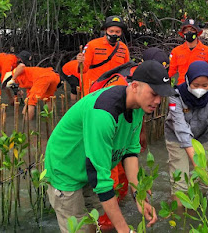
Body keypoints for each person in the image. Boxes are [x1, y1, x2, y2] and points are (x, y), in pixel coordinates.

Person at [45, 61, 175, 233]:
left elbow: (130, 151)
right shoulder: (104, 113)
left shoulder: (137, 107)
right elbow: (99, 177)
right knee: (79, 229)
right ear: (135, 86)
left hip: (87, 167)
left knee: (94, 223)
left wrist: (138, 194)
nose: (158, 101)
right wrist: (124, 230)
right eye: (154, 94)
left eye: (161, 96)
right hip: (66, 169)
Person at [89, 47, 169, 230]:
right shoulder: (119, 86)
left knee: (125, 180)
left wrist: (137, 194)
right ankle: (106, 222)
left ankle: (120, 204)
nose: (158, 100)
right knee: (111, 179)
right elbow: (107, 122)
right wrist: (122, 227)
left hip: (121, 138)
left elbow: (134, 118)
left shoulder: (142, 98)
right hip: (106, 137)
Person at [165, 61, 208, 206]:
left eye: (205, 85)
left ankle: (198, 214)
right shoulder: (175, 96)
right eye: (196, 85)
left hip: (201, 136)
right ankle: (179, 214)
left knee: (205, 183)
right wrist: (198, 166)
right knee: (180, 183)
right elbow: (182, 132)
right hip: (176, 138)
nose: (200, 89)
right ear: (188, 80)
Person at [76, 15, 130, 94]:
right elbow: (83, 69)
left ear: (121, 33)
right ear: (105, 31)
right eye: (111, 31)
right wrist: (80, 62)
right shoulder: (92, 45)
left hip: (114, 90)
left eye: (117, 32)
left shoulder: (123, 48)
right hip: (93, 90)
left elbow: (126, 70)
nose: (114, 34)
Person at [168, 19, 208, 84]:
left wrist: (203, 84)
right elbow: (170, 71)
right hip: (182, 87)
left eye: (192, 30)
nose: (189, 32)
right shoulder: (176, 51)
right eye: (186, 30)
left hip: (199, 87)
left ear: (197, 32)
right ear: (183, 33)